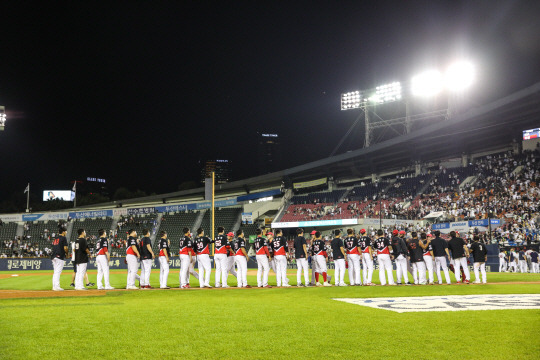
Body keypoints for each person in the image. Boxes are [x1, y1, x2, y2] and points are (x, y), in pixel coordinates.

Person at [51, 224, 69, 291]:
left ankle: (54, 286)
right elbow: (65, 248)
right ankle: (57, 287)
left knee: (55, 272)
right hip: (59, 256)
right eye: (66, 231)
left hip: (54, 256)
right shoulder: (63, 238)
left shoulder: (56, 238)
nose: (66, 232)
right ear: (63, 232)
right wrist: (67, 254)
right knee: (58, 272)